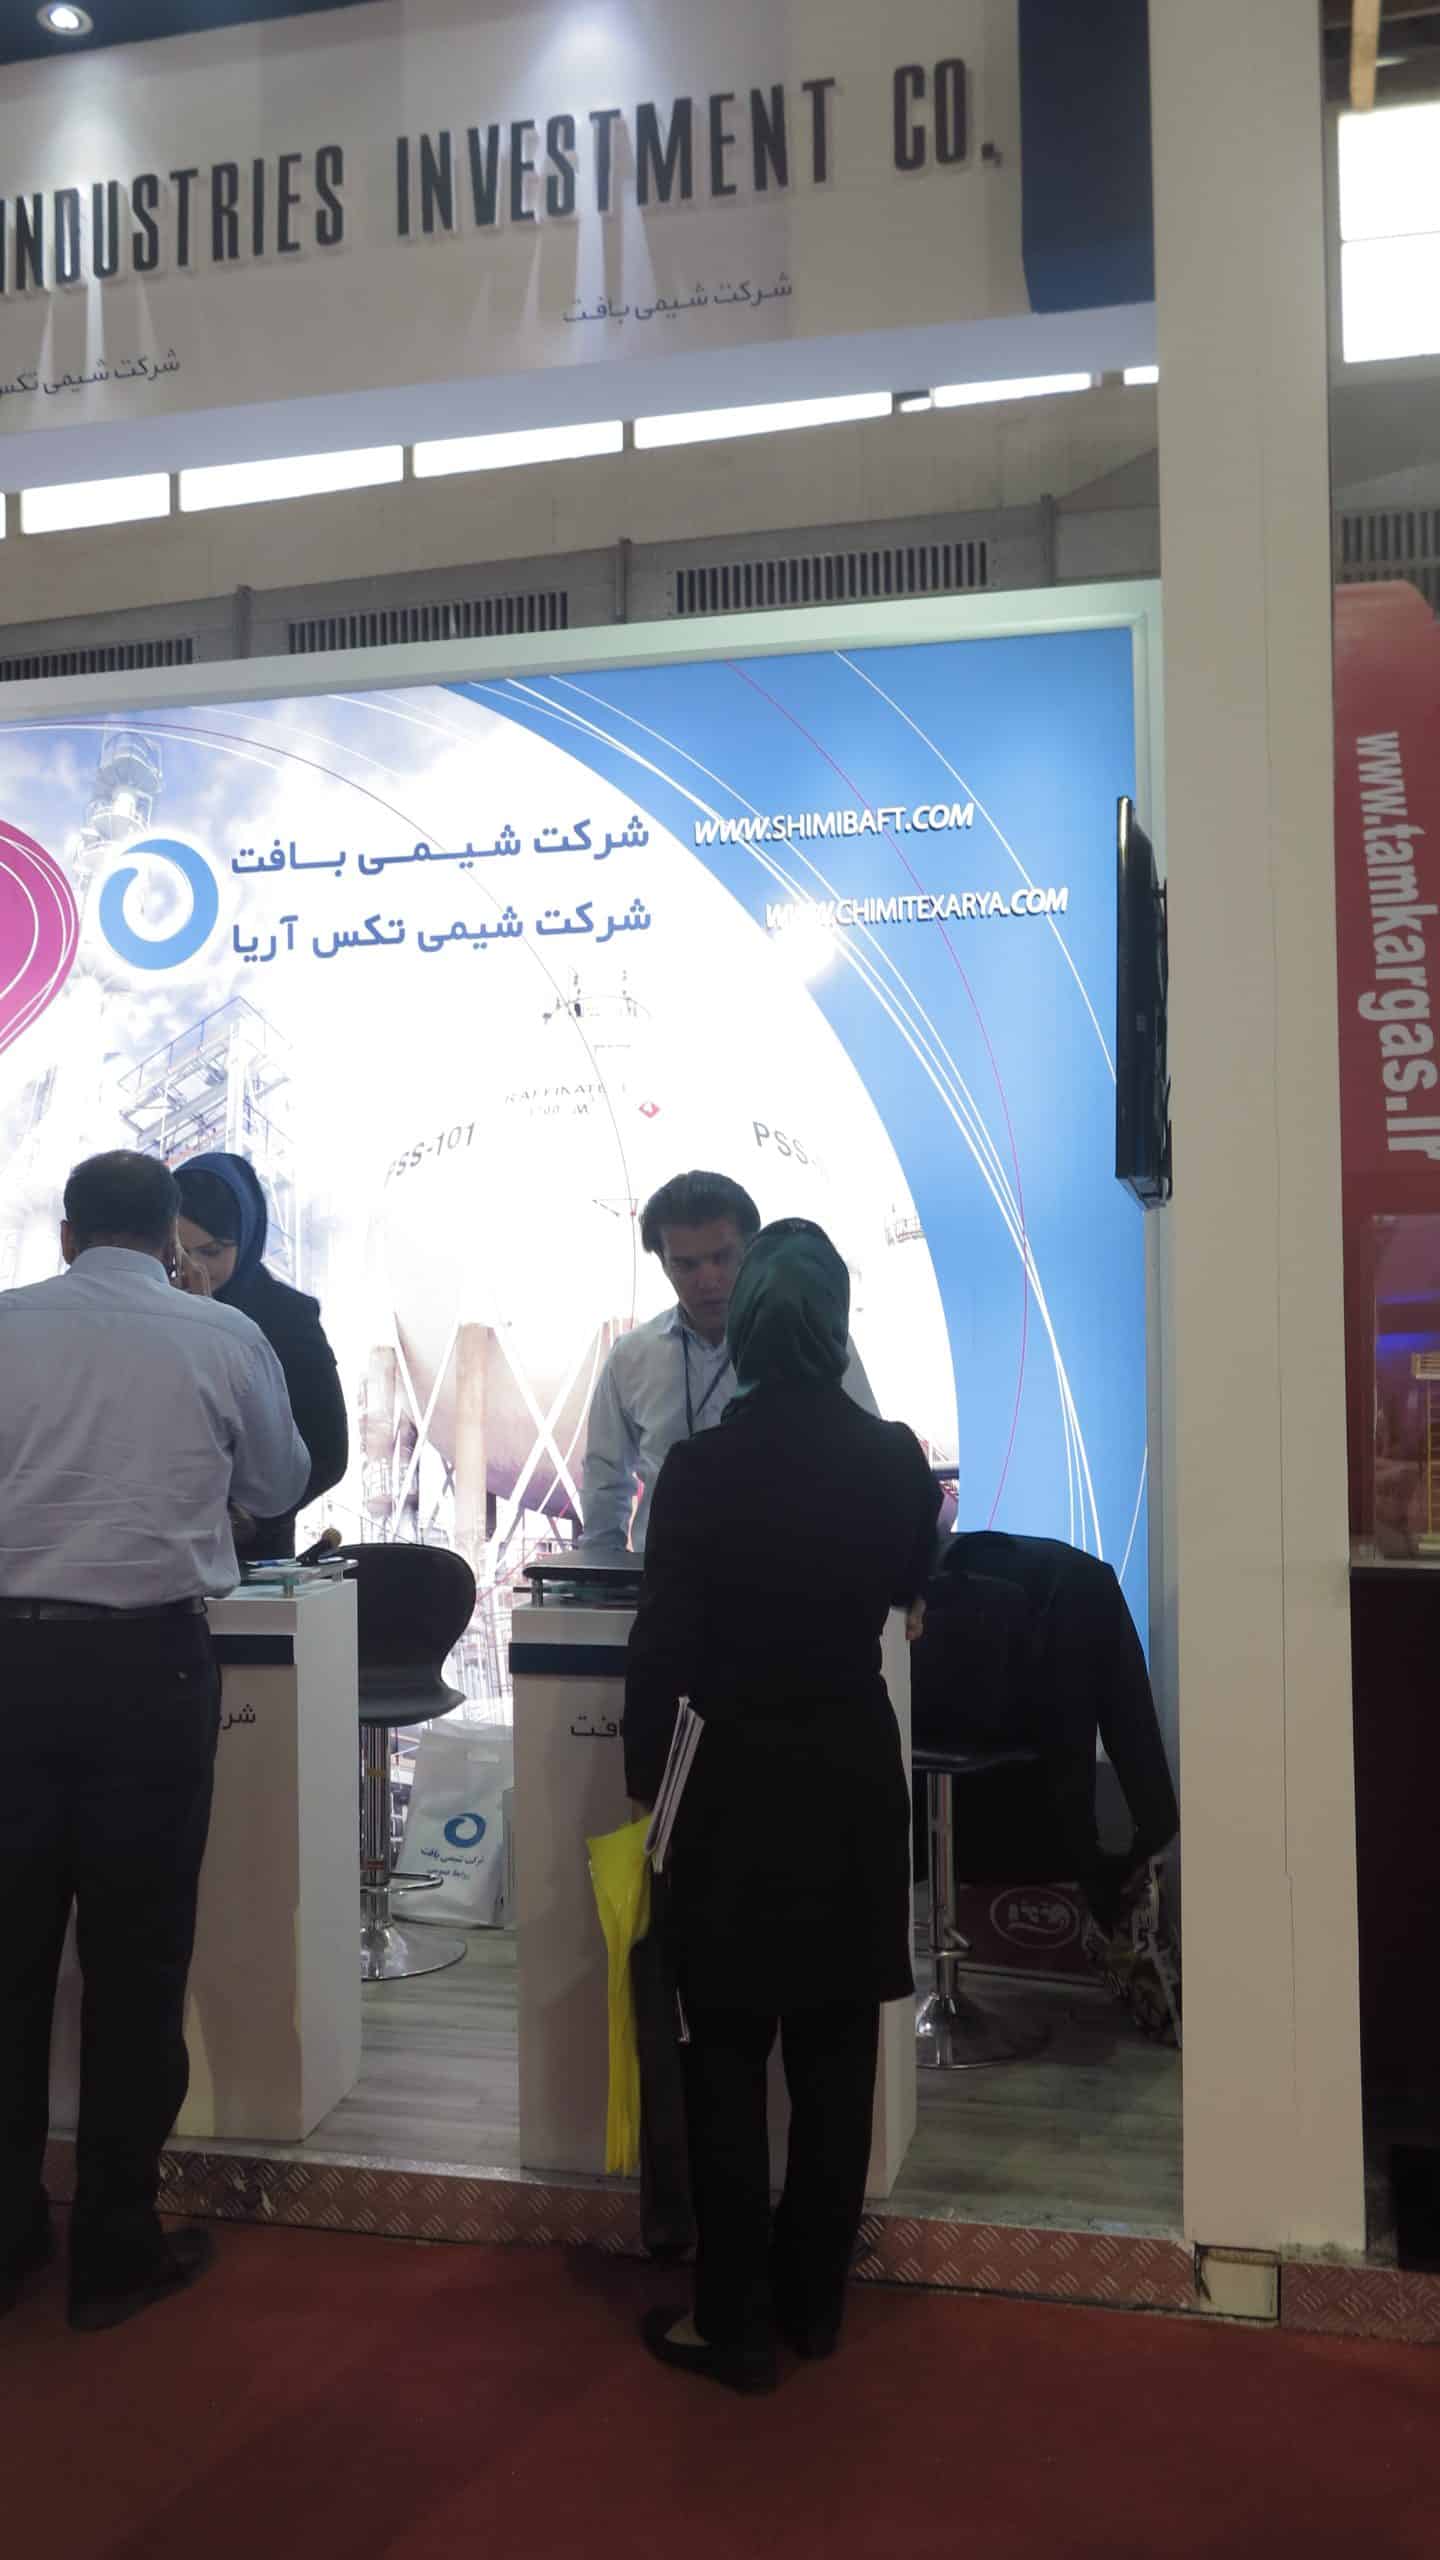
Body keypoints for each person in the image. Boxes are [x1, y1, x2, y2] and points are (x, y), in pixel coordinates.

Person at [624, 1218, 941, 2394]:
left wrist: (647, 1782)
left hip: (728, 1776)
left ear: (750, 1326)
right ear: (837, 1322)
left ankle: (731, 2320)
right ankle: (815, 2303)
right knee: (836, 2049)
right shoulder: (895, 1459)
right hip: (851, 1769)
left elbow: (662, 1646)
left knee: (720, 2050)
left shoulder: (700, 1470)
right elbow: (909, 1584)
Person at [0, 1151, 310, 2332]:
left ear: (67, 1232)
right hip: (149, 1668)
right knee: (137, 1966)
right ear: (171, 1238)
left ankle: (5, 2237)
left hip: (8, 1668)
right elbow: (277, 1480)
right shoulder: (223, 1335)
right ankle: (114, 2248)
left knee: (5, 1962)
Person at [578, 1169, 878, 1554]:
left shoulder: (812, 1340)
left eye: (721, 1258)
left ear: (751, 1251)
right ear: (663, 1263)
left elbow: (866, 1454)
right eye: (686, 1265)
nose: (708, 1279)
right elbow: (605, 1480)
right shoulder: (631, 1357)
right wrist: (600, 1574)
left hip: (789, 1570)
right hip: (666, 1575)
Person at [174, 1151, 348, 1558]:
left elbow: (328, 1450)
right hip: (159, 1546)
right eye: (178, 1250)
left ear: (247, 1237)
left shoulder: (286, 1316)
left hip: (250, 1554)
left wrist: (249, 1516)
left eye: (211, 1251)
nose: (192, 1268)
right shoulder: (153, 1306)